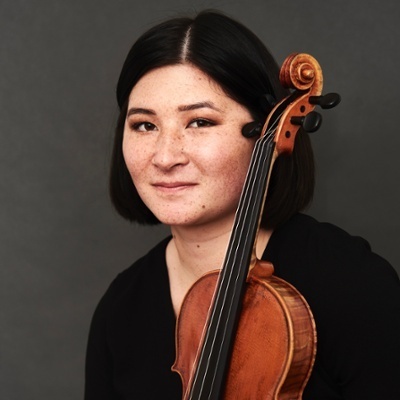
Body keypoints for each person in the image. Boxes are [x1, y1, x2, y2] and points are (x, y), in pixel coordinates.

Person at [84, 10, 400, 399]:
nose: (165, 157)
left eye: (200, 122)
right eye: (144, 125)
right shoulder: (120, 310)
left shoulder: (350, 284)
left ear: (263, 130)